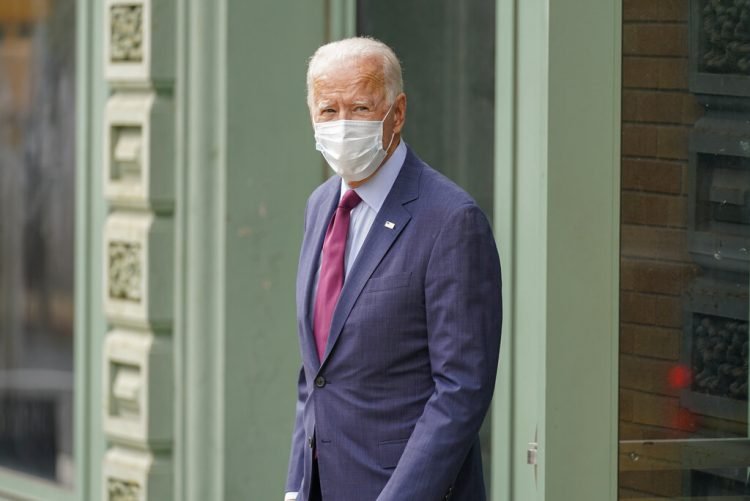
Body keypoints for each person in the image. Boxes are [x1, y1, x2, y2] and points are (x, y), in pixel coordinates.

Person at [286, 37, 502, 501]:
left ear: (397, 113)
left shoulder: (451, 220)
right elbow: (315, 376)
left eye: (361, 108)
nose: (342, 125)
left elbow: (461, 392)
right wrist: (296, 487)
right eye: (328, 111)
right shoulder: (320, 205)